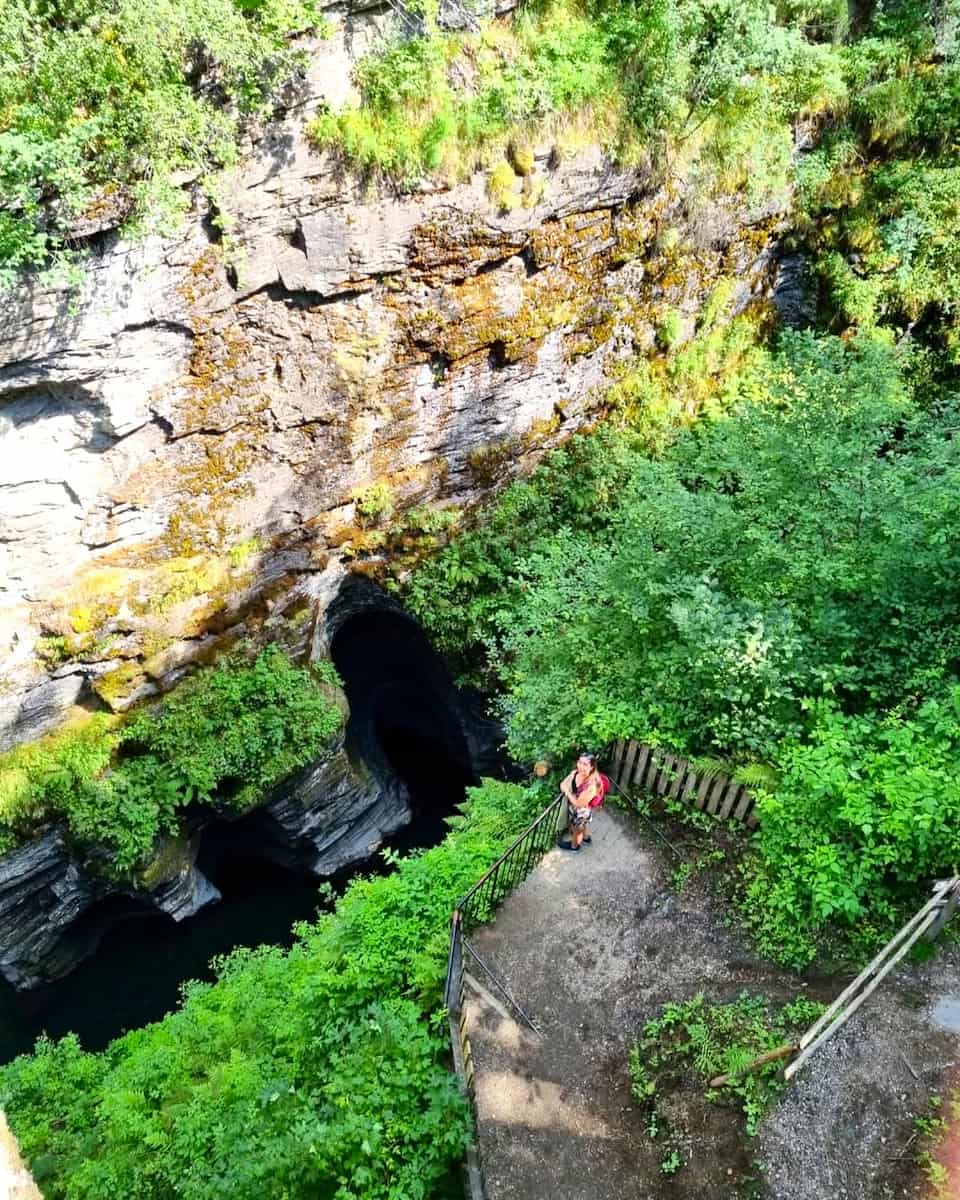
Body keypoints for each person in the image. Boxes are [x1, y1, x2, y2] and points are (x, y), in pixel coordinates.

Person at [559, 751, 603, 852]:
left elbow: (579, 804)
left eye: (585, 764)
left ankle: (574, 846)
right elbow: (562, 784)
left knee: (577, 828)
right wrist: (566, 790)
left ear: (591, 767)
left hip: (582, 811)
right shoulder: (575, 773)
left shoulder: (591, 785)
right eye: (579, 762)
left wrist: (567, 792)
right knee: (583, 825)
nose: (581, 766)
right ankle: (586, 838)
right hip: (575, 807)